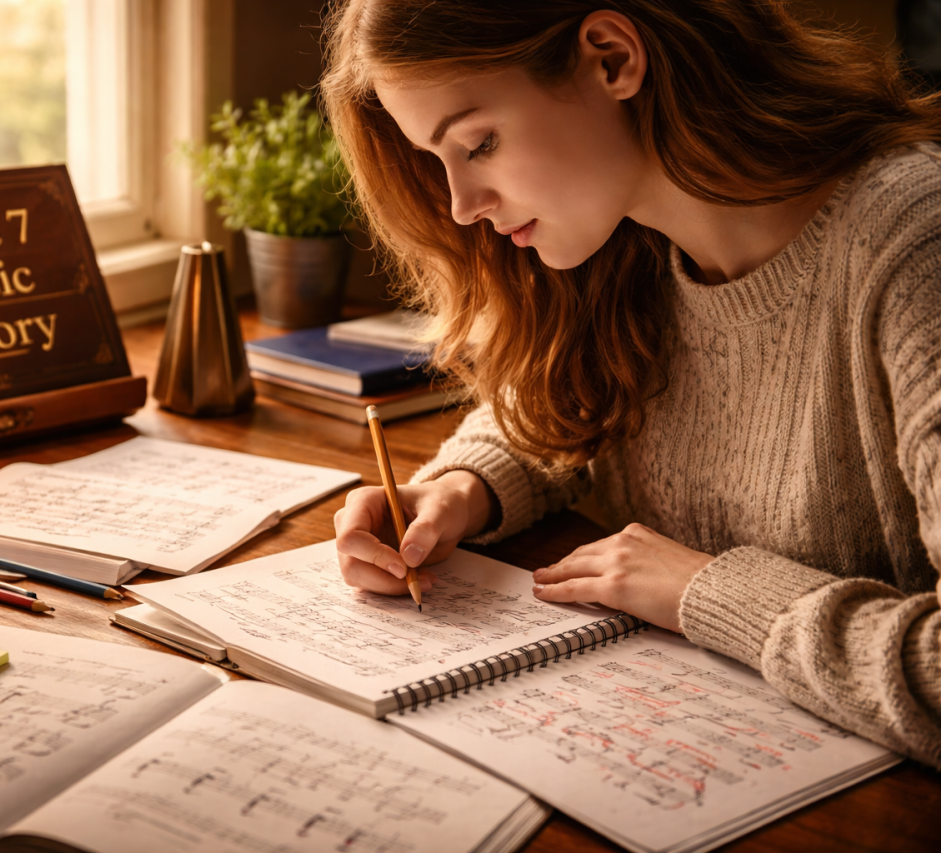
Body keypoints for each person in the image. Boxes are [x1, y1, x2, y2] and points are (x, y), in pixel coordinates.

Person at [322, 0, 941, 767]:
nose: (461, 205)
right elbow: (566, 406)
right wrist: (457, 488)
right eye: (436, 160)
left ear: (612, 57)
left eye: (479, 142)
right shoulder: (627, 244)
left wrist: (707, 592)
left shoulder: (916, 246)